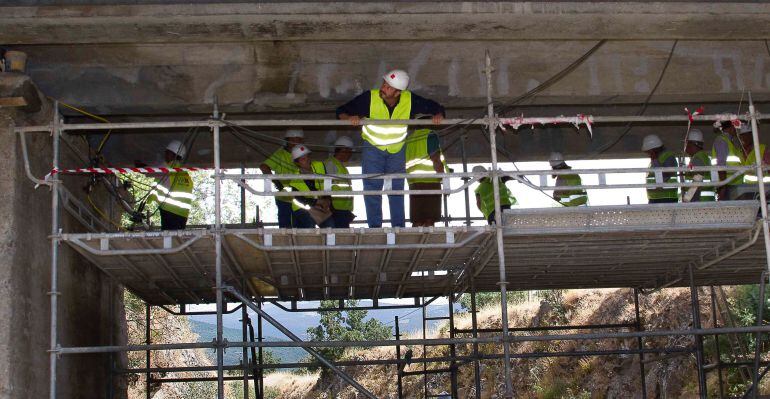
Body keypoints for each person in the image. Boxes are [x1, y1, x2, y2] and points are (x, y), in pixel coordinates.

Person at [336, 69, 445, 228]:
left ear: (398, 92)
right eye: (384, 83)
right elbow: (341, 110)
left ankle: (398, 227)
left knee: (397, 188)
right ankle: (374, 227)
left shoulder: (410, 100)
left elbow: (435, 107)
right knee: (372, 188)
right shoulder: (369, 97)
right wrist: (349, 118)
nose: (383, 87)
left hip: (396, 150)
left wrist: (439, 115)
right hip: (373, 148)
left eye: (388, 86)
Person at [260, 129, 304, 228]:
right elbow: (264, 167)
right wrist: (277, 183)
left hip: (301, 196)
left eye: (298, 140)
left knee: (302, 226)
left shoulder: (302, 154)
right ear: (287, 140)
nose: (295, 142)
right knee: (287, 228)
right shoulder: (280, 154)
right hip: (285, 197)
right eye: (293, 139)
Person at [405, 128, 448, 226]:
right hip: (431, 181)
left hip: (413, 183)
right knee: (430, 219)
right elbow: (435, 157)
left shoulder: (409, 138)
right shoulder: (429, 134)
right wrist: (444, 179)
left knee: (417, 219)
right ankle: (430, 241)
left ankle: (415, 240)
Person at [148, 140, 194, 230]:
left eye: (167, 153)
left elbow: (149, 172)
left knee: (168, 239)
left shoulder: (168, 166)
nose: (165, 156)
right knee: (176, 240)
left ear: (173, 154)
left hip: (169, 210)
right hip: (183, 213)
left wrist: (139, 166)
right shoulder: (184, 173)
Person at [288, 145, 334, 228]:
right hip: (302, 208)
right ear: (297, 162)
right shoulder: (294, 179)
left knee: (330, 226)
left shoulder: (319, 166)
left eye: (307, 157)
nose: (307, 161)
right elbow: (299, 199)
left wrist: (327, 200)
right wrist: (317, 202)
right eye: (303, 159)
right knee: (309, 226)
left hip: (319, 206)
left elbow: (327, 184)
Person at [324, 136, 355, 228]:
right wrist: (330, 208)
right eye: (349, 151)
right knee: (338, 238)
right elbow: (326, 186)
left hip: (342, 209)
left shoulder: (340, 166)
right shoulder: (331, 164)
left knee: (341, 238)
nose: (350, 155)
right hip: (335, 209)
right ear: (343, 150)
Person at [711, 119, 744, 200]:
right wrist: (723, 188)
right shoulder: (722, 141)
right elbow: (721, 166)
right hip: (728, 186)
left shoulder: (730, 142)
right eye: (736, 127)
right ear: (732, 127)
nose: (737, 130)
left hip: (734, 186)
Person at [642, 134, 679, 204]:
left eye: (649, 152)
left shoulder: (668, 157)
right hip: (656, 199)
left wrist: (655, 159)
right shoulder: (656, 159)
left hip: (666, 199)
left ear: (653, 150)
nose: (648, 154)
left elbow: (666, 175)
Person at [682, 129, 715, 202]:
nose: (686, 147)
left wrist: (687, 198)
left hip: (699, 201)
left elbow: (697, 180)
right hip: (707, 200)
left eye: (687, 144)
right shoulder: (704, 156)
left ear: (692, 144)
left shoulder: (697, 159)